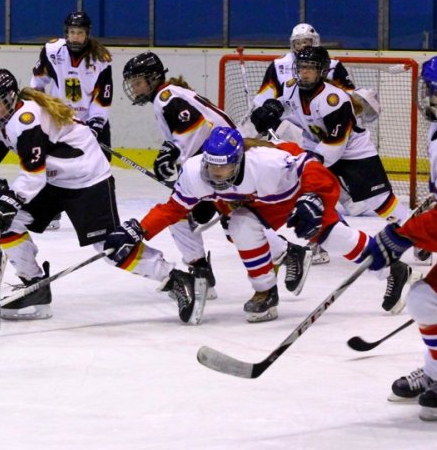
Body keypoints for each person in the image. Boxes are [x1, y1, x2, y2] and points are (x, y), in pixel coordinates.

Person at [0, 68, 206, 324]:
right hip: (54, 179)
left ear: (10, 98)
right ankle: (35, 287)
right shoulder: (1, 121)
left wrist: (6, 201)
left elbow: (32, 176)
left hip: (87, 180)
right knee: (10, 224)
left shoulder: (25, 119)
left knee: (110, 247)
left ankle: (177, 279)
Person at [104, 126, 404, 323]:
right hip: (256, 202)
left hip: (292, 191)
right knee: (240, 227)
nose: (217, 173)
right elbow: (173, 209)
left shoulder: (268, 162)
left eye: (224, 166)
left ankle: (393, 268)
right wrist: (139, 230)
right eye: (212, 165)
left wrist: (312, 199)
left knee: (331, 237)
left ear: (238, 159)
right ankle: (266, 293)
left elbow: (315, 169)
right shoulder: (197, 172)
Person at [122, 51, 313, 300]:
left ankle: (279, 254)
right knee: (212, 219)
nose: (135, 88)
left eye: (138, 82)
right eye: (133, 83)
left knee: (213, 219)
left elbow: (195, 127)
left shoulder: (166, 97)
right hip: (214, 165)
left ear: (153, 77)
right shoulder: (168, 96)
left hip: (222, 166)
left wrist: (172, 153)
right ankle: (205, 269)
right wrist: (176, 160)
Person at [250, 46, 421, 314]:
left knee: (380, 202)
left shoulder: (334, 99)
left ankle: (420, 235)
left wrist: (307, 164)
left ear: (321, 71)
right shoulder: (293, 88)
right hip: (317, 151)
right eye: (301, 67)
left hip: (353, 154)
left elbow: (335, 146)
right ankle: (329, 238)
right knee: (313, 208)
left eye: (310, 68)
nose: (304, 73)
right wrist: (269, 110)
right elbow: (284, 105)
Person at [362, 54, 437, 421]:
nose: (425, 98)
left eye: (432, 92)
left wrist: (402, 236)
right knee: (431, 299)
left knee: (427, 299)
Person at [247, 23, 380, 265]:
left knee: (318, 188)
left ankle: (334, 232)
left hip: (332, 136)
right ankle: (326, 235)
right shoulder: (278, 66)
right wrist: (264, 112)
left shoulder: (332, 65)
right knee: (308, 188)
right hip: (301, 135)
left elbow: (348, 100)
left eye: (307, 42)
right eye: (298, 43)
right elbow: (266, 99)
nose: (302, 48)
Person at [30, 11, 113, 231]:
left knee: (100, 165)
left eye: (80, 33)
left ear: (87, 34)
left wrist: (95, 124)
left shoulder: (101, 60)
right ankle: (52, 210)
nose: (75, 37)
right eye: (72, 32)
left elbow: (103, 97)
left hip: (89, 122)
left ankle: (99, 211)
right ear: (66, 33)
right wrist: (39, 107)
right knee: (55, 164)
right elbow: (38, 84)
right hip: (61, 123)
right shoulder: (52, 51)